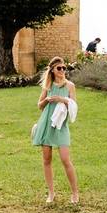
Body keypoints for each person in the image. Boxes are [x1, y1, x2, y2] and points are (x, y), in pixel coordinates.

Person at [31, 56, 79, 204]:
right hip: (46, 124)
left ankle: (75, 193)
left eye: (64, 68)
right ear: (52, 70)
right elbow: (39, 106)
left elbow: (74, 106)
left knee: (65, 159)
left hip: (61, 126)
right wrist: (46, 100)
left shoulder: (70, 86)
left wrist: (62, 100)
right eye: (59, 68)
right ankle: (51, 193)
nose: (62, 70)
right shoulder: (48, 86)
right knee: (46, 159)